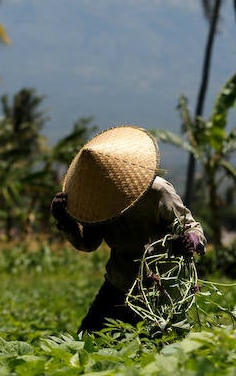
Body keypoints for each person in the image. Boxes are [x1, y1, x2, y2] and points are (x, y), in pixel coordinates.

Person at [50, 125, 206, 335]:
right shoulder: (96, 202)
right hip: (119, 284)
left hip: (160, 288)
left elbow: (191, 226)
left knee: (159, 348)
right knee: (87, 338)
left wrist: (191, 241)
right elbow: (88, 243)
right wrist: (65, 222)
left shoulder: (157, 192)